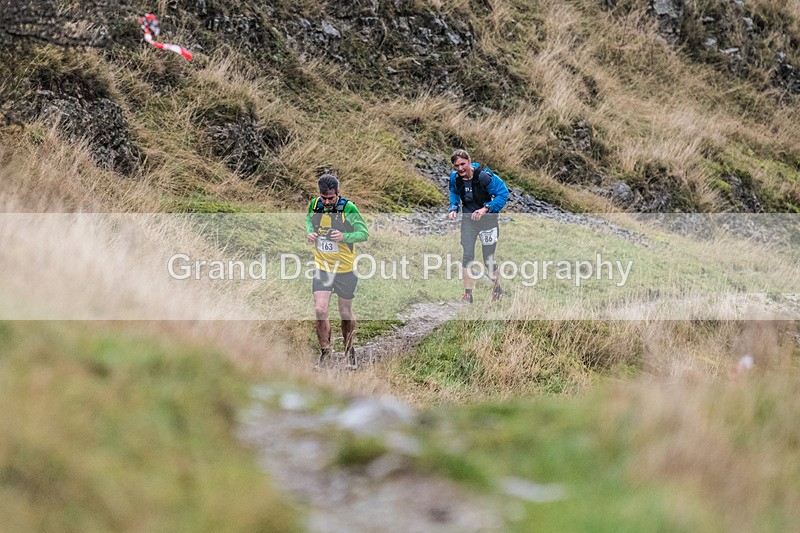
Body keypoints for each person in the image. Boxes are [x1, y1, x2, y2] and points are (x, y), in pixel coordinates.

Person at [306, 174, 369, 369]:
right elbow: (309, 219)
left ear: (337, 194)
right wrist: (310, 232)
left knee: (345, 313)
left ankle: (349, 350)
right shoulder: (315, 205)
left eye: (330, 198)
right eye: (324, 198)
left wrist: (345, 236)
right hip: (322, 267)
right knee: (320, 309)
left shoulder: (348, 208)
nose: (326, 202)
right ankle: (325, 353)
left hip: (345, 269)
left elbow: (364, 233)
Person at [448, 149, 509, 303]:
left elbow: (503, 193)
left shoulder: (483, 177)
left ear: (469, 161)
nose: (460, 168)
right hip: (469, 220)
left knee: (488, 259)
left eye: (463, 164)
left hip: (488, 220)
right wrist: (453, 207)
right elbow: (454, 193)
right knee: (467, 255)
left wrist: (486, 208)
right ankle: (468, 295)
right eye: (457, 166)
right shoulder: (455, 178)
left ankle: (497, 289)